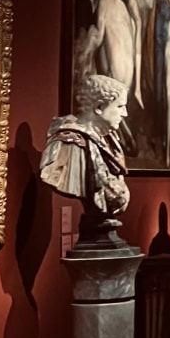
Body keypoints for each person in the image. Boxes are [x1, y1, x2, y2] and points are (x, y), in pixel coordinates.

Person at [39, 74, 130, 245]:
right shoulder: (70, 144)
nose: (125, 114)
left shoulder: (110, 140)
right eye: (120, 106)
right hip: (93, 239)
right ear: (99, 107)